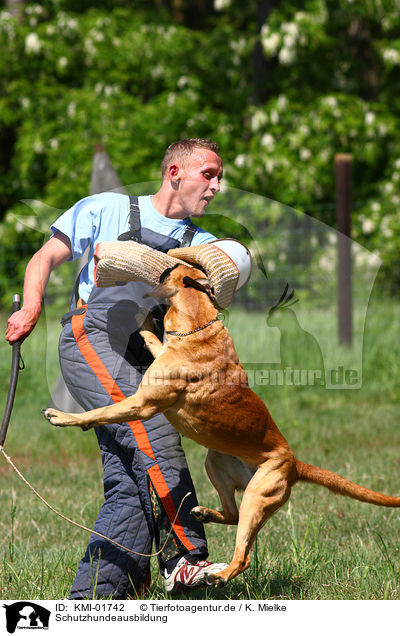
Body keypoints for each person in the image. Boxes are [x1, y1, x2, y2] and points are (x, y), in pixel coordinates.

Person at [6, 138, 229, 598]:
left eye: (219, 177)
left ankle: (95, 601)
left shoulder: (201, 245)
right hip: (93, 335)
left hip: (147, 356)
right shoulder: (106, 208)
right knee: (153, 434)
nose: (217, 186)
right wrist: (30, 308)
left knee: (129, 482)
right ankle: (186, 561)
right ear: (174, 173)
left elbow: (214, 297)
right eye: (209, 174)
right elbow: (45, 256)